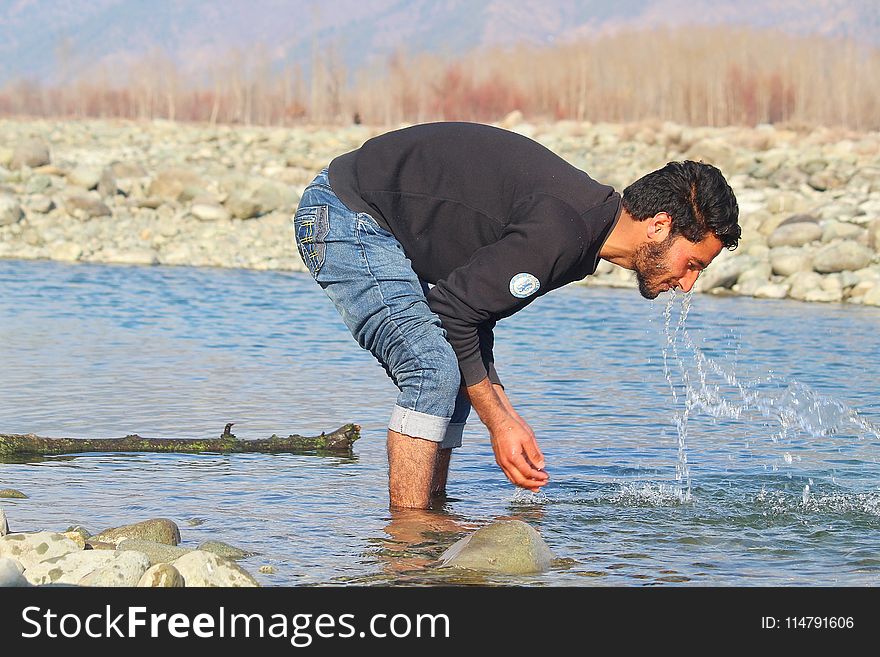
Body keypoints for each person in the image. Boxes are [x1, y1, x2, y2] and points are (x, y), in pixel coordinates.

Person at [292, 121, 740, 510]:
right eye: (694, 263)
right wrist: (499, 421)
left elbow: (470, 314)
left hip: (368, 218)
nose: (688, 284)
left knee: (457, 376)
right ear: (660, 226)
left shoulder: (582, 231)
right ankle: (409, 542)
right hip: (345, 215)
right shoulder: (562, 232)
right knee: (432, 370)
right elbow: (452, 313)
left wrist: (504, 410)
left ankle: (431, 518)